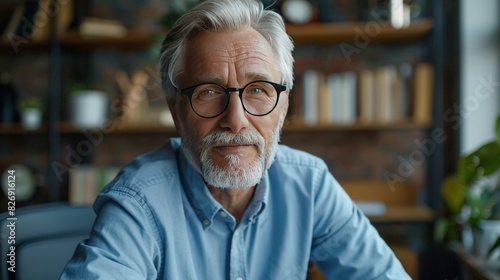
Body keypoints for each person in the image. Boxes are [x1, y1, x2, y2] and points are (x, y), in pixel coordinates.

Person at [61, 0, 411, 279]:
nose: (235, 119)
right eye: (209, 91)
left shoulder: (309, 184)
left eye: (258, 89)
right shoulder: (138, 202)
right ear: (174, 108)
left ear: (284, 103)